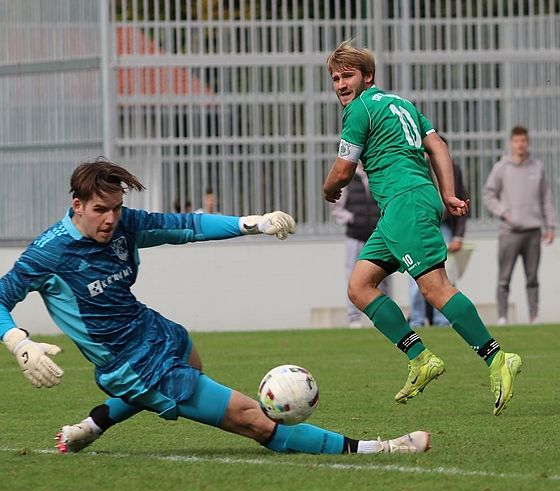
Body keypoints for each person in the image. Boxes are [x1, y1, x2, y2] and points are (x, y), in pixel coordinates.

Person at [0, 159, 428, 455]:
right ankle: (377, 448)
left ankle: (92, 425)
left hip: (155, 331)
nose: (110, 219)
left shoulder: (124, 224)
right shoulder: (49, 254)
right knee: (254, 420)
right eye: (100, 210)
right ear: (76, 206)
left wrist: (252, 223)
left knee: (192, 360)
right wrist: (19, 342)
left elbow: (188, 225)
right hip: (129, 366)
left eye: (116, 208)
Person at [321, 41, 522, 416]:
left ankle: (497, 357)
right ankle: (421, 358)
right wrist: (447, 193)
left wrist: (328, 188)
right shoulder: (403, 105)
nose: (342, 84)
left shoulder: (359, 110)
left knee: (435, 288)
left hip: (405, 203)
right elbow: (438, 146)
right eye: (335, 78)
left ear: (368, 77)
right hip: (406, 204)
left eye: (348, 76)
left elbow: (343, 170)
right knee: (360, 287)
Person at [482, 125, 556, 325]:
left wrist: (550, 226)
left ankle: (534, 316)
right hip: (510, 232)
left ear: (528, 142)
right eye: (517, 141)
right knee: (504, 277)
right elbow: (488, 195)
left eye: (523, 141)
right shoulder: (501, 167)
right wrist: (504, 212)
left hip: (533, 231)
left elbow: (546, 198)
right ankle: (502, 317)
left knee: (532, 277)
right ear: (511, 143)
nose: (520, 144)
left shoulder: (537, 167)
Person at [408, 153, 468, 328]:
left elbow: (461, 199)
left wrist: (458, 235)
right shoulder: (413, 165)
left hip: (444, 226)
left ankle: (442, 319)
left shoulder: (453, 169)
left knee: (444, 276)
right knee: (416, 274)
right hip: (418, 226)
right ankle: (417, 319)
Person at [331, 163, 391, 328]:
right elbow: (337, 208)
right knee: (353, 275)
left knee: (382, 275)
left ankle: (385, 315)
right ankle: (354, 317)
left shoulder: (378, 172)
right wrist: (352, 218)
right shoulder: (348, 177)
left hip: (378, 234)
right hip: (355, 235)